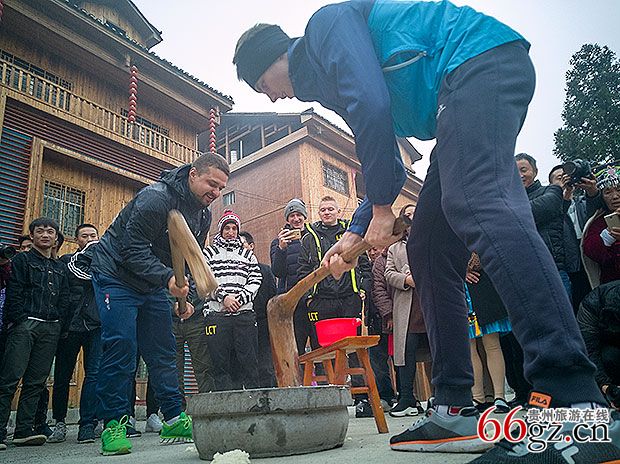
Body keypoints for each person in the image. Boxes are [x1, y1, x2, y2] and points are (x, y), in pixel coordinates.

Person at [234, 2, 618, 461]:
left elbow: (372, 105)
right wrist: (356, 230)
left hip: (477, 62)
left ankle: (575, 401)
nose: (272, 98)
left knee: (477, 202)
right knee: (429, 247)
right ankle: (453, 406)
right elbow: (390, 154)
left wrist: (381, 208)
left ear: (274, 57)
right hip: (456, 99)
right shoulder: (332, 81)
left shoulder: (325, 28)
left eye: (262, 85)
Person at [90, 153, 229, 456]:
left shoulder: (202, 215)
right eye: (211, 184)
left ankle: (174, 418)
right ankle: (113, 423)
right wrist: (167, 279)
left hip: (152, 282)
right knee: (122, 346)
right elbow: (131, 249)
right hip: (115, 274)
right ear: (193, 174)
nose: (216, 192)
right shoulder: (155, 198)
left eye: (221, 188)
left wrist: (184, 299)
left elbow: (189, 257)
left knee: (164, 349)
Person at [298, 195, 372, 417]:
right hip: (321, 301)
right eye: (323, 210)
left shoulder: (352, 233)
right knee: (322, 350)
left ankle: (362, 399)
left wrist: (363, 289)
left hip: (349, 298)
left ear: (338, 212)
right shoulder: (309, 237)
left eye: (331, 209)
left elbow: (365, 265)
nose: (327, 212)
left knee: (354, 349)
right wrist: (309, 297)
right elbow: (303, 270)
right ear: (319, 213)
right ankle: (326, 399)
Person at [0, 218, 71, 449]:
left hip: (51, 327)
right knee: (9, 378)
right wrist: (20, 320)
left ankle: (23, 431)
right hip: (25, 325)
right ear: (32, 236)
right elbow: (15, 291)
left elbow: (64, 297)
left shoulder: (60, 267)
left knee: (36, 382)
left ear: (56, 237)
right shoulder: (22, 260)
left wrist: (59, 323)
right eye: (40, 231)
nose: (45, 235)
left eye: (50, 231)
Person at [47, 224, 102, 444]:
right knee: (63, 375)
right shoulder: (67, 261)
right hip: (70, 326)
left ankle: (88, 423)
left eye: (93, 235)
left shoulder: (104, 261)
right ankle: (59, 421)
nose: (89, 239)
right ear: (77, 240)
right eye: (84, 236)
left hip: (96, 326)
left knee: (94, 373)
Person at [200, 211, 262, 391]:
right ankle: (226, 401)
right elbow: (203, 280)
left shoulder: (247, 255)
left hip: (244, 315)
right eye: (227, 228)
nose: (231, 232)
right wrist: (224, 298)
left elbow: (255, 280)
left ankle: (252, 400)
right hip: (216, 315)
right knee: (220, 364)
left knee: (249, 362)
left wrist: (239, 299)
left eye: (234, 228)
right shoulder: (208, 253)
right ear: (220, 230)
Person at [384, 205, 427, 418]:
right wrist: (406, 279)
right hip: (407, 305)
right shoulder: (394, 248)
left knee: (437, 350)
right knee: (406, 351)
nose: (411, 217)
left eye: (414, 213)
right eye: (407, 214)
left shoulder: (431, 238)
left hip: (430, 302)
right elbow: (388, 273)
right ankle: (408, 398)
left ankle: (443, 396)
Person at [515, 153, 570, 299]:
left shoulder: (552, 191)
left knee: (562, 312)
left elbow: (541, 209)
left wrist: (509, 214)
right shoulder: (510, 200)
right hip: (524, 273)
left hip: (552, 268)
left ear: (535, 171)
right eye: (514, 172)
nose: (519, 175)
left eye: (524, 170)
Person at [464, 252, 511, 413]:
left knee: (486, 345)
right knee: (479, 346)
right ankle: (490, 397)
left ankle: (490, 397)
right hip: (476, 286)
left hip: (479, 285)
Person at [270, 198, 311, 354]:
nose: (296, 219)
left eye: (299, 214)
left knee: (320, 347)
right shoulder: (277, 242)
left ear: (304, 216)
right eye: (292, 215)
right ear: (287, 219)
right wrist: (281, 248)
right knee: (295, 348)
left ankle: (322, 372)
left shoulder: (313, 237)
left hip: (313, 299)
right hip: (292, 301)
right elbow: (277, 272)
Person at [240, 231, 277, 387]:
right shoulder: (233, 272)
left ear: (251, 246)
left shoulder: (266, 270)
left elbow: (272, 298)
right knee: (246, 368)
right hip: (241, 323)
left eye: (242, 244)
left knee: (266, 366)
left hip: (262, 324)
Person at [577, 280, 620, 410]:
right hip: (605, 350)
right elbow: (589, 351)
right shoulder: (591, 305)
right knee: (609, 356)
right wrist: (607, 387)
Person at [367, 246, 396, 410]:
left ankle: (404, 395)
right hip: (374, 321)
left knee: (398, 360)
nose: (372, 253)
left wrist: (388, 314)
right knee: (377, 363)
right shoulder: (365, 266)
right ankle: (386, 395)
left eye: (375, 249)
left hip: (389, 319)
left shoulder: (387, 262)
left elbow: (380, 292)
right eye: (369, 250)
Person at [582, 163, 620, 287]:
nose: (615, 196)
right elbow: (590, 251)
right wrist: (608, 235)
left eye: (619, 190)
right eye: (608, 192)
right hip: (613, 287)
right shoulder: (598, 222)